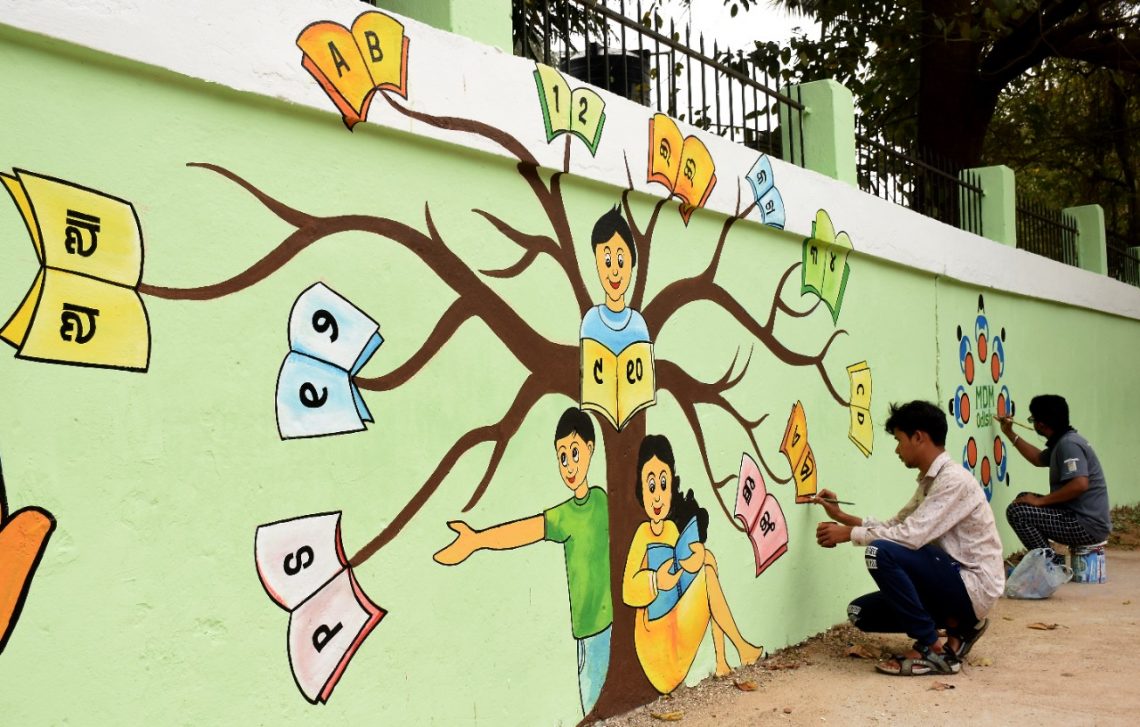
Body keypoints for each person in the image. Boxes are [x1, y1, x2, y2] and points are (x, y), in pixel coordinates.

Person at [432, 407, 611, 714]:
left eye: (574, 452)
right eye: (562, 457)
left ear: (591, 448)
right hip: (585, 632)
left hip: (607, 628)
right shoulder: (566, 515)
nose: (568, 465)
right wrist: (477, 540)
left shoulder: (602, 501)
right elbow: (526, 530)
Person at [813, 400, 1005, 676]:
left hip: (972, 584)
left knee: (879, 553)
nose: (897, 449)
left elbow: (908, 537)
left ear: (918, 437)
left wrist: (848, 535)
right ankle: (960, 627)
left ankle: (933, 649)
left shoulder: (954, 481)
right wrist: (842, 517)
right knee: (859, 612)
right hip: (950, 579)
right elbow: (896, 526)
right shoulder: (931, 481)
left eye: (899, 440)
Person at [622, 434, 762, 693]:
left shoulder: (673, 532)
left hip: (677, 623)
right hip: (656, 642)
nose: (657, 496)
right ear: (641, 490)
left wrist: (694, 559)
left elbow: (688, 579)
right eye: (651, 486)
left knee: (707, 561)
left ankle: (721, 660)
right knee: (707, 572)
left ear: (672, 486)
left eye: (663, 485)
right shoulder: (642, 534)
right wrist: (655, 580)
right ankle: (740, 648)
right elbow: (628, 591)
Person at [999, 394, 1111, 553]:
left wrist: (1041, 501)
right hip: (1079, 518)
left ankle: (1050, 565)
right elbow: (1037, 459)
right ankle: (1049, 559)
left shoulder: (1068, 445)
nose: (1033, 423)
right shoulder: (1063, 441)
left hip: (1086, 525)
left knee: (1018, 512)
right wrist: (1009, 433)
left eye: (1033, 419)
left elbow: (1080, 484)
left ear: (1042, 424)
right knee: (1023, 500)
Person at [579, 205, 651, 355]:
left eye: (620, 260)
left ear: (632, 262)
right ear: (597, 264)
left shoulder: (639, 325)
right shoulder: (591, 322)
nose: (614, 271)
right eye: (606, 261)